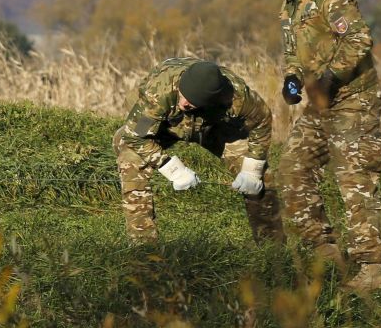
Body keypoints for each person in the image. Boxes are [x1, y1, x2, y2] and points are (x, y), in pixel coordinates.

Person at [268, 0, 381, 292]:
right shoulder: (288, 4)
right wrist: (292, 79)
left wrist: (329, 75)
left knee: (353, 176)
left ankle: (371, 268)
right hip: (321, 103)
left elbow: (359, 40)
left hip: (355, 98)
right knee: (292, 169)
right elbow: (293, 54)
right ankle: (324, 249)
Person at [113, 58, 284, 244]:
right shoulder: (158, 92)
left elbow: (262, 120)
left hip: (212, 128)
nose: (184, 103)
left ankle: (272, 249)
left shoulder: (236, 94)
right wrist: (172, 168)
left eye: (190, 103)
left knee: (263, 177)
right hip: (165, 127)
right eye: (183, 97)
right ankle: (144, 247)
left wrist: (253, 169)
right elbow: (135, 135)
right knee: (130, 158)